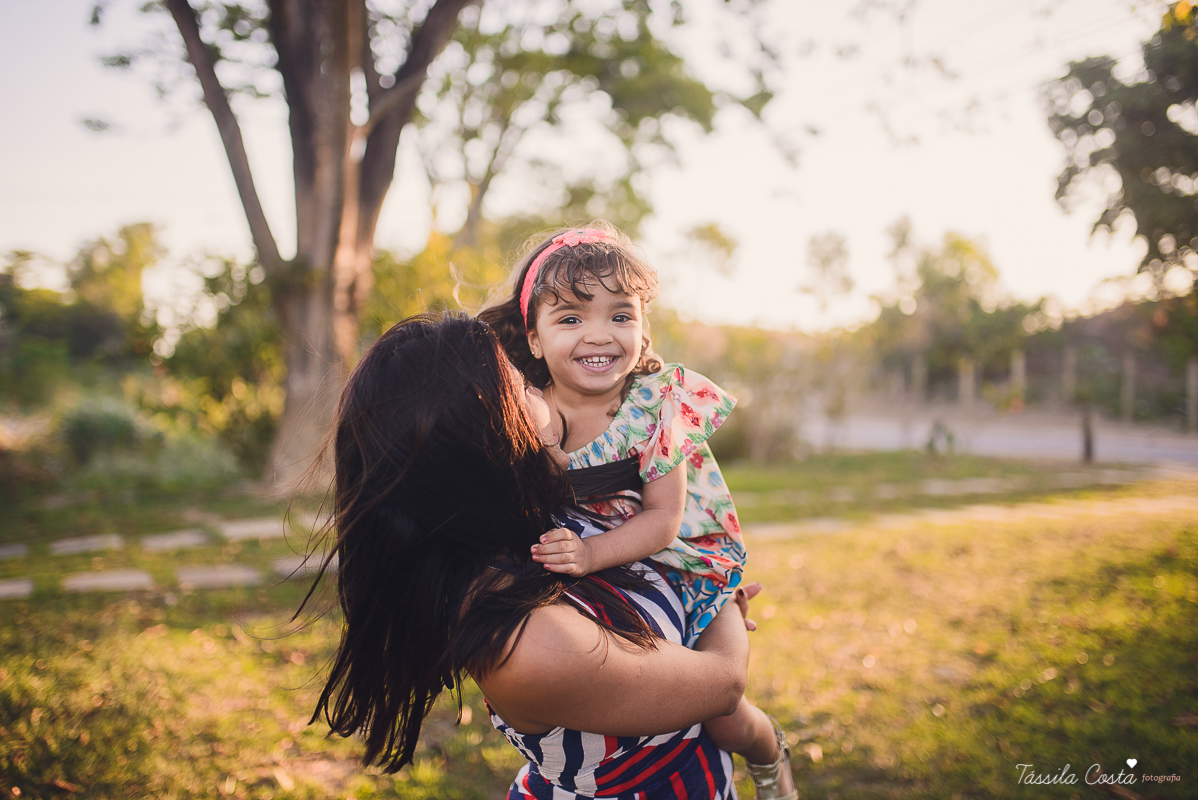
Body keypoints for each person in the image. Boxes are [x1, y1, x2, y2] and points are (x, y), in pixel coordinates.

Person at [307, 312, 771, 799]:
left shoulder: (550, 522)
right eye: (520, 387)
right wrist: (725, 612)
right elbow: (722, 684)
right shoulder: (528, 642)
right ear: (486, 444)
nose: (539, 390)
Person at [479, 223, 796, 798]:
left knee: (721, 713)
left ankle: (770, 755)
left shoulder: (654, 406)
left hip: (679, 553)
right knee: (634, 689)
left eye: (620, 315)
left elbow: (663, 520)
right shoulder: (529, 409)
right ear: (533, 338)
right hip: (596, 564)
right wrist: (544, 445)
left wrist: (591, 553)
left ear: (643, 326)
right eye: (571, 318)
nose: (599, 335)